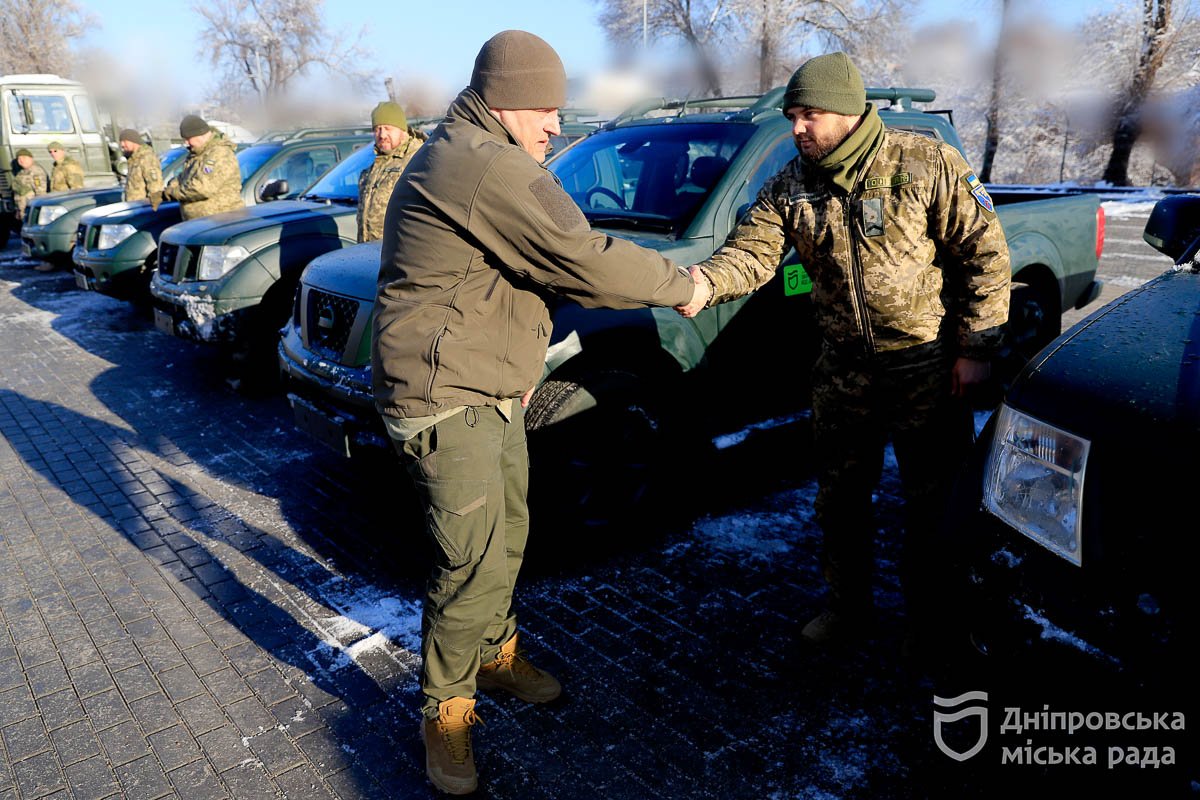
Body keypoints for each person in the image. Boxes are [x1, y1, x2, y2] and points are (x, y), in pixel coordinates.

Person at [372, 29, 704, 796]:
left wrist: (518, 370)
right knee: (469, 561)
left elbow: (505, 280)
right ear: (505, 101)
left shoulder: (478, 152)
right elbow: (578, 258)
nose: (558, 123)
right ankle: (445, 713)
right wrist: (684, 285)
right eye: (546, 107)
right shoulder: (483, 162)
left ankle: (494, 658)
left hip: (483, 389)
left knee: (509, 534)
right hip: (447, 398)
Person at [678, 52, 1011, 647]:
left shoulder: (923, 161)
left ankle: (934, 613)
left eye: (809, 115)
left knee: (934, 498)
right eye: (792, 117)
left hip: (924, 364)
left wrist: (978, 349)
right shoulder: (793, 184)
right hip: (843, 370)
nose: (798, 128)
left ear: (848, 111)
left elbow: (983, 254)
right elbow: (751, 253)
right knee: (840, 499)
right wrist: (701, 284)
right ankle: (847, 607)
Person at [357, 100, 424, 243]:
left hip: (401, 250)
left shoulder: (418, 160)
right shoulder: (375, 165)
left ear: (402, 130)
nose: (382, 135)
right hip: (369, 250)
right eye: (377, 129)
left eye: (388, 128)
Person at [161, 115, 241, 220]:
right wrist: (171, 186)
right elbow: (185, 177)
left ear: (200, 135)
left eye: (188, 139)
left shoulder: (219, 154)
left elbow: (202, 189)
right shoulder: (197, 154)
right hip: (200, 222)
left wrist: (172, 193)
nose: (186, 143)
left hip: (218, 220)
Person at [118, 128, 163, 211]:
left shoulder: (147, 158)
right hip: (134, 207)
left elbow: (155, 187)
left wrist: (153, 209)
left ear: (133, 141)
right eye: (121, 142)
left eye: (125, 141)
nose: (122, 145)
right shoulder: (133, 159)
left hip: (143, 209)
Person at [12, 148, 48, 221]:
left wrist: (38, 211)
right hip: (23, 210)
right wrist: (18, 210)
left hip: (30, 211)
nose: (21, 160)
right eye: (19, 159)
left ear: (31, 158)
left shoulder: (36, 171)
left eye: (24, 158)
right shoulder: (21, 172)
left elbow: (41, 193)